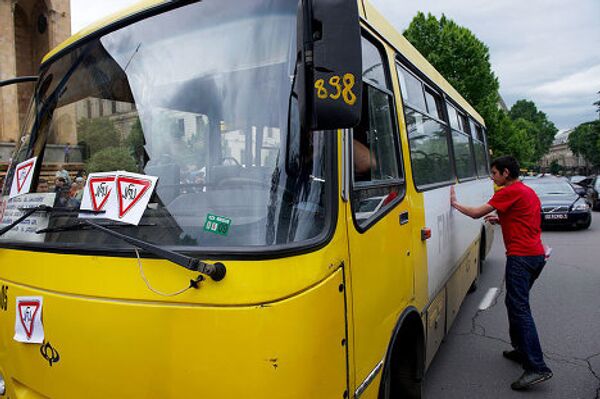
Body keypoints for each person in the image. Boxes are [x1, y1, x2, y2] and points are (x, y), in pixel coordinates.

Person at [450, 155, 552, 390]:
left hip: (521, 258)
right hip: (536, 255)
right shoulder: (526, 191)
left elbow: (476, 213)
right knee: (514, 304)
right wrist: (500, 219)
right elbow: (527, 219)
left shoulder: (508, 191)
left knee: (520, 309)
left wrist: (455, 204)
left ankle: (537, 367)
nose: (493, 178)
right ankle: (521, 350)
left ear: (506, 173)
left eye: (495, 173)